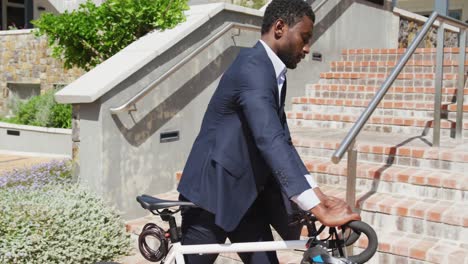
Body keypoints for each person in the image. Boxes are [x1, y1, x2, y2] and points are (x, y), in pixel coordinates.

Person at [177, 0, 360, 263]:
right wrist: (317, 209)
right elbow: (269, 140)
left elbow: (283, 141)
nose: (307, 48)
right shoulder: (252, 68)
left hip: (245, 196)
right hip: (212, 195)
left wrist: (319, 196)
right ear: (279, 27)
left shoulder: (271, 72)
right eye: (304, 38)